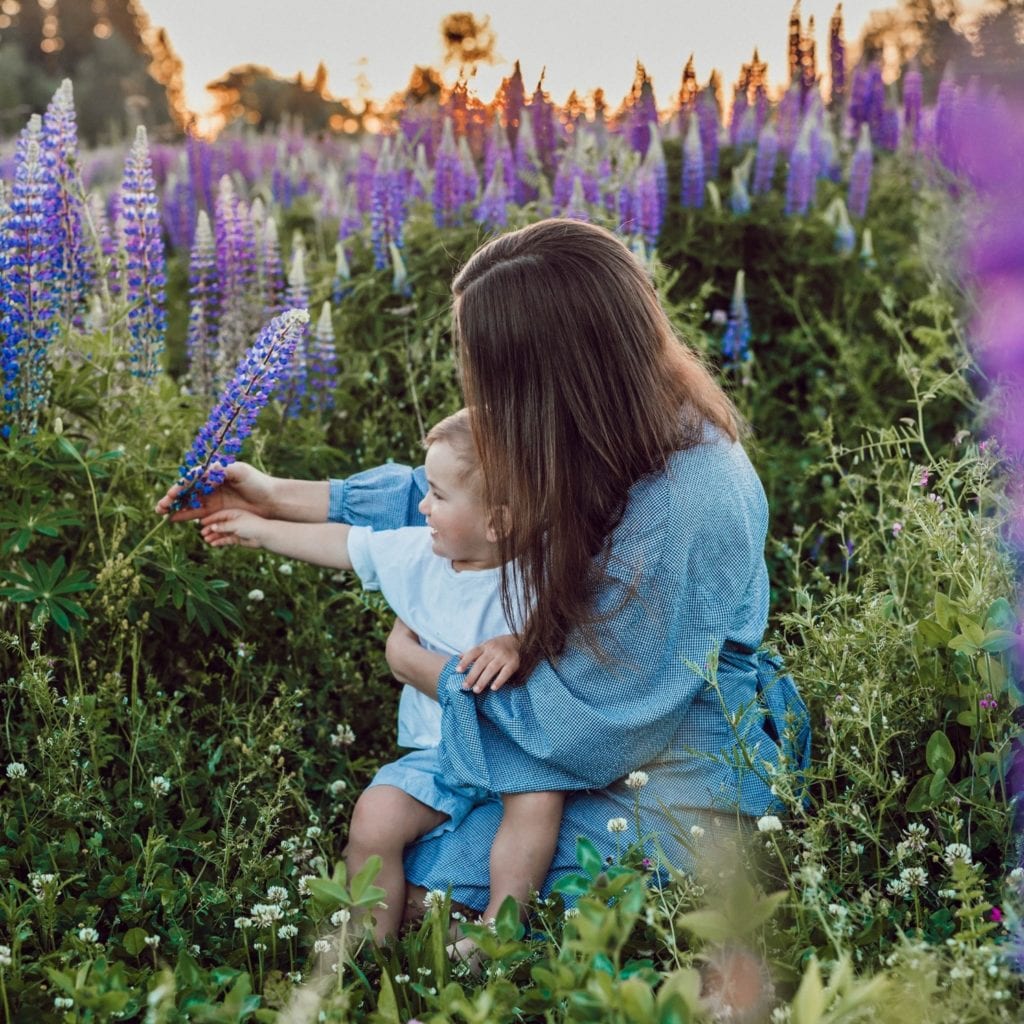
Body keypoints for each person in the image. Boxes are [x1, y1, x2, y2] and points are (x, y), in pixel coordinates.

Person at [157, 218, 810, 923]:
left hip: (672, 757)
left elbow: (592, 727)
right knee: (406, 857)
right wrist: (276, 495)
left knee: (430, 892)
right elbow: (468, 495)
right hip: (584, 724)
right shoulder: (612, 424)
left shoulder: (689, 498)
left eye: (492, 374)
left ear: (556, 375)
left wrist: (427, 672)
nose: (482, 398)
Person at [189, 409, 564, 947]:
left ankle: (497, 931)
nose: (421, 505)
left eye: (437, 495)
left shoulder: (542, 572)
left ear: (497, 523)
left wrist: (519, 643)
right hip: (438, 752)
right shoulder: (420, 556)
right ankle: (368, 949)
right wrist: (256, 529)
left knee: (538, 803)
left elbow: (575, 628)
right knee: (375, 816)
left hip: (514, 750)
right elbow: (345, 545)